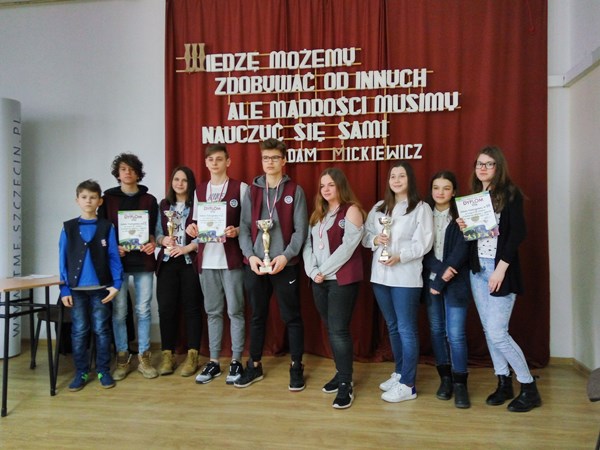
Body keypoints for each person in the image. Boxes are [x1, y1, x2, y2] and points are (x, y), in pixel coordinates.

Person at [458, 146, 541, 412]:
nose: (482, 168)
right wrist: (465, 228)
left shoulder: (510, 194)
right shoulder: (476, 197)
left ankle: (528, 387)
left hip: (500, 269)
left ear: (499, 167)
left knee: (497, 332)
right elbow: (478, 236)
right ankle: (503, 381)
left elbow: (517, 233)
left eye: (489, 164)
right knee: (488, 331)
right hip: (478, 269)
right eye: (479, 164)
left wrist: (501, 269)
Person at [236, 138, 308, 391]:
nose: (269, 162)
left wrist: (285, 256)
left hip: (284, 264)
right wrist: (250, 256)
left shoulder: (295, 191)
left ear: (283, 161)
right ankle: (254, 365)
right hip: (256, 264)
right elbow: (244, 228)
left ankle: (296, 366)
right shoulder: (252, 191)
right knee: (257, 315)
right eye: (266, 158)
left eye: (274, 158)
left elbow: (301, 231)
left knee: (291, 316)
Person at [363, 162, 433, 403]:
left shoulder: (420, 208)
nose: (396, 180)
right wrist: (376, 239)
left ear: (409, 180)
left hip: (405, 276)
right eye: (393, 176)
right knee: (392, 326)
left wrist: (400, 256)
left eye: (401, 176)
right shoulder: (378, 208)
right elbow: (365, 236)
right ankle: (400, 372)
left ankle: (408, 385)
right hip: (380, 276)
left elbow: (424, 243)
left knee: (406, 328)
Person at [303, 168, 365, 409]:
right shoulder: (318, 214)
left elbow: (348, 247)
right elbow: (308, 246)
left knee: (339, 330)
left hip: (340, 280)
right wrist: (312, 271)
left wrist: (323, 270)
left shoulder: (351, 210)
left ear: (340, 186)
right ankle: (341, 373)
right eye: (323, 186)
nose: (326, 189)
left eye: (331, 184)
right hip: (319, 279)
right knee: (331, 328)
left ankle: (346, 384)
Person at [185, 145, 247, 385]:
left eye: (219, 159)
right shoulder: (200, 190)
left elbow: (248, 224)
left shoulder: (240, 188)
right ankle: (214, 361)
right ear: (206, 163)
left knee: (235, 311)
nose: (214, 163)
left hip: (231, 260)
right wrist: (192, 228)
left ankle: (236, 360)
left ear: (228, 162)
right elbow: (194, 223)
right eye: (210, 159)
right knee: (213, 312)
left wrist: (236, 231)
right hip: (207, 260)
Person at [98, 153, 159, 380]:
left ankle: (144, 357)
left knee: (143, 310)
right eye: (123, 169)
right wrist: (113, 248)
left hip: (143, 261)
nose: (128, 173)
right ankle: (122, 357)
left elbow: (155, 231)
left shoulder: (149, 200)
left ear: (138, 173)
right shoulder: (107, 199)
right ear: (117, 173)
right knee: (119, 310)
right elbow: (102, 231)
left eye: (132, 169)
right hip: (117, 263)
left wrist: (152, 243)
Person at [59, 180, 123, 391]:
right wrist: (64, 288)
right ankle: (81, 371)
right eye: (84, 197)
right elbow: (62, 260)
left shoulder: (106, 227)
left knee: (102, 330)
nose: (88, 201)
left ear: (100, 201)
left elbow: (113, 256)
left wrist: (116, 283)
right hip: (76, 290)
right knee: (79, 331)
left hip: (101, 290)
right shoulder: (68, 228)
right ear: (77, 200)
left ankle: (103, 370)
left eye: (93, 197)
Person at [422, 171, 471, 408]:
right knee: (437, 330)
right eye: (436, 187)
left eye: (446, 188)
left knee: (456, 334)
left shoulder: (463, 214)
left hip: (457, 282)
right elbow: (422, 250)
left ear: (454, 192)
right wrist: (441, 275)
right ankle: (446, 379)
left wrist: (445, 277)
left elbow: (464, 248)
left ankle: (461, 383)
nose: (440, 192)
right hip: (432, 280)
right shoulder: (423, 213)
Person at [155, 166, 203, 377]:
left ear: (190, 183)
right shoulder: (163, 205)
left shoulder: (197, 205)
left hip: (188, 261)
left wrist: (187, 248)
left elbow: (204, 234)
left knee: (192, 309)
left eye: (184, 180)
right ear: (171, 182)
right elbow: (156, 234)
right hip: (167, 263)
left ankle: (193, 355)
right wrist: (163, 240)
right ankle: (168, 354)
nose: (180, 184)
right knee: (166, 309)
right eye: (176, 179)